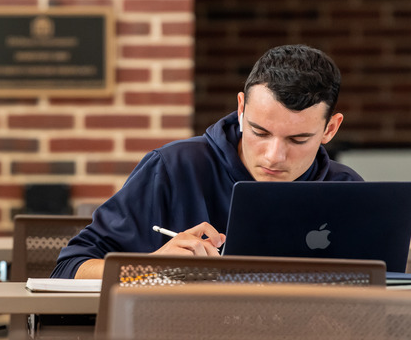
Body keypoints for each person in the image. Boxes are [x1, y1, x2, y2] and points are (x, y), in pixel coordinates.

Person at [51, 44, 363, 279]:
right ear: (241, 110)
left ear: (330, 129)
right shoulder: (173, 168)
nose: (273, 156)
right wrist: (151, 267)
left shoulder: (347, 190)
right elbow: (69, 268)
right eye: (259, 132)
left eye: (297, 140)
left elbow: (382, 293)